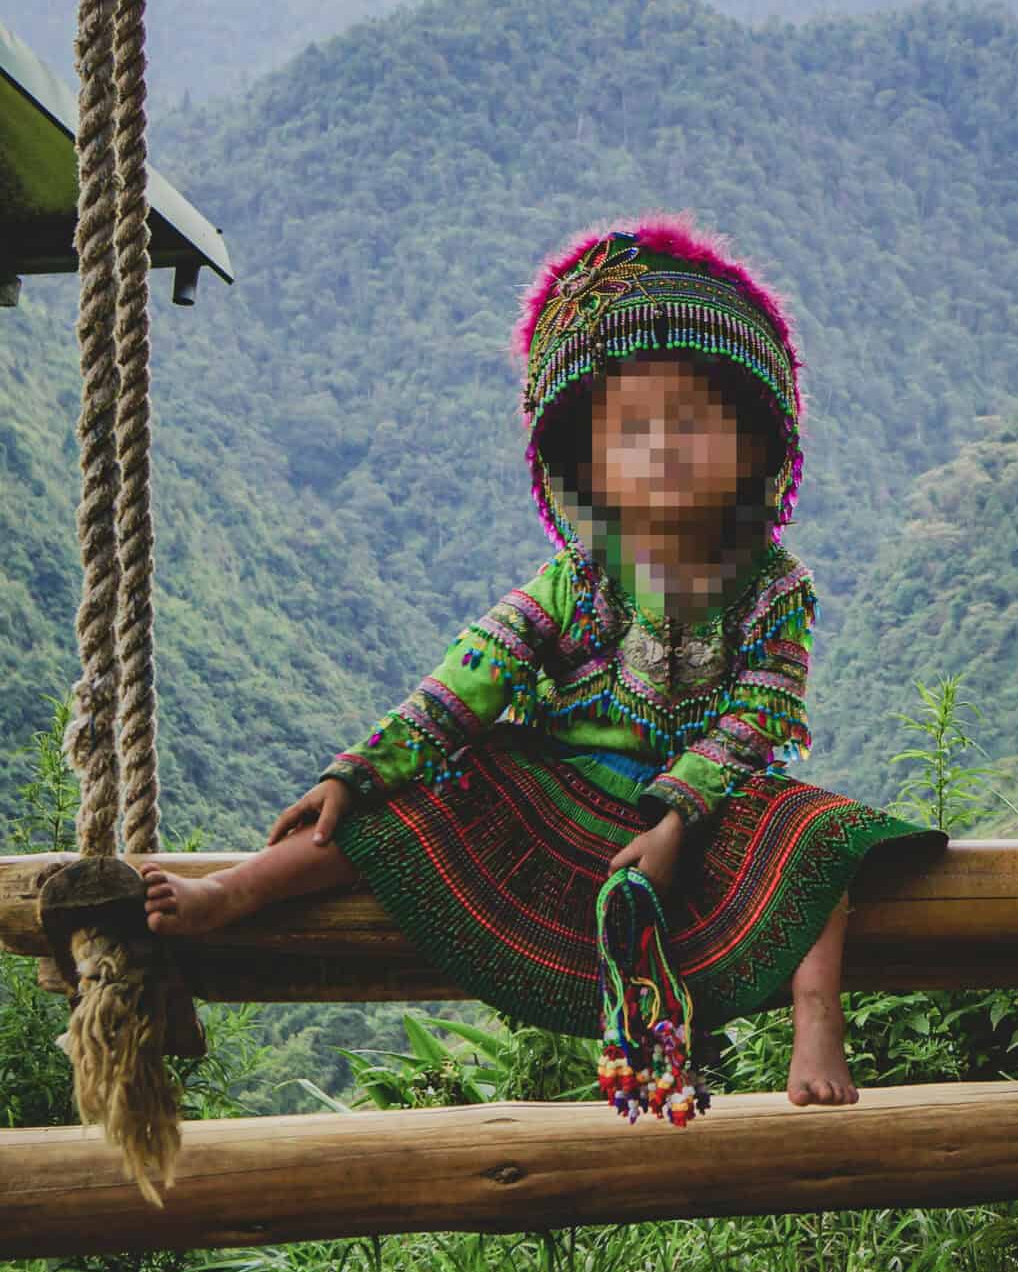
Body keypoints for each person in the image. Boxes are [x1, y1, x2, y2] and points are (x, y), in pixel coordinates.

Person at [140, 216, 948, 1119]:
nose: (663, 448)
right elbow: (475, 674)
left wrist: (678, 816)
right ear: (586, 465)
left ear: (756, 445)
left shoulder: (776, 587)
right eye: (630, 429)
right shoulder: (575, 580)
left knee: (822, 839)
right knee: (415, 799)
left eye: (692, 422)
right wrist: (361, 771)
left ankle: (816, 1021)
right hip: (561, 790)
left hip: (713, 807)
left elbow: (760, 715)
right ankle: (231, 891)